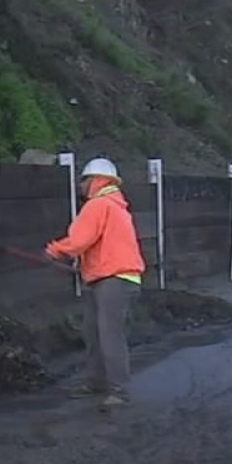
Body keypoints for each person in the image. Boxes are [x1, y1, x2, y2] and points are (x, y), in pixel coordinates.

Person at [44, 158, 147, 408]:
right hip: (109, 277)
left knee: (109, 334)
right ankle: (95, 381)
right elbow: (101, 245)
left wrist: (56, 250)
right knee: (92, 331)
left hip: (114, 279)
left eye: (82, 181)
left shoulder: (98, 205)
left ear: (94, 181)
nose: (80, 186)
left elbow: (80, 240)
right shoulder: (116, 206)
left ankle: (119, 390)